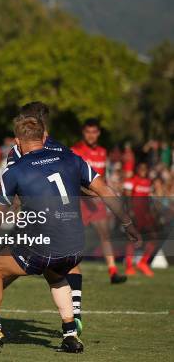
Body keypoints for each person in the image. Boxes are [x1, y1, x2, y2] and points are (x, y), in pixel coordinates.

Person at [0, 116, 140, 353]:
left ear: (18, 142)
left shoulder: (15, 170)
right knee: (56, 274)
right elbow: (103, 189)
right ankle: (70, 334)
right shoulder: (71, 158)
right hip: (75, 245)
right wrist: (127, 222)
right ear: (44, 137)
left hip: (40, 245)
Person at [0, 102, 84, 344]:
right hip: (66, 230)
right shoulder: (62, 151)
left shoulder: (22, 151)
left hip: (35, 229)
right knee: (59, 272)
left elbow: (9, 190)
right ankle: (71, 325)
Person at [72, 119, 127, 284]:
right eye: (88, 132)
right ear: (83, 132)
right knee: (72, 238)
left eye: (94, 132)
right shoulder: (75, 150)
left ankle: (113, 272)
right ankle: (63, 269)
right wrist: (89, 194)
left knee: (105, 235)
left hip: (97, 202)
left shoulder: (103, 152)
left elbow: (102, 178)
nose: (91, 135)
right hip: (80, 201)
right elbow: (72, 178)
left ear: (98, 133)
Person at [124, 162, 157, 277]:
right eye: (141, 168)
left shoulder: (148, 182)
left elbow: (149, 199)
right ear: (137, 169)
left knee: (153, 238)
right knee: (132, 240)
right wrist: (130, 212)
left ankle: (143, 263)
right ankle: (129, 267)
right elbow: (127, 198)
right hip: (135, 214)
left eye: (145, 168)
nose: (143, 170)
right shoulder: (131, 181)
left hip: (145, 215)